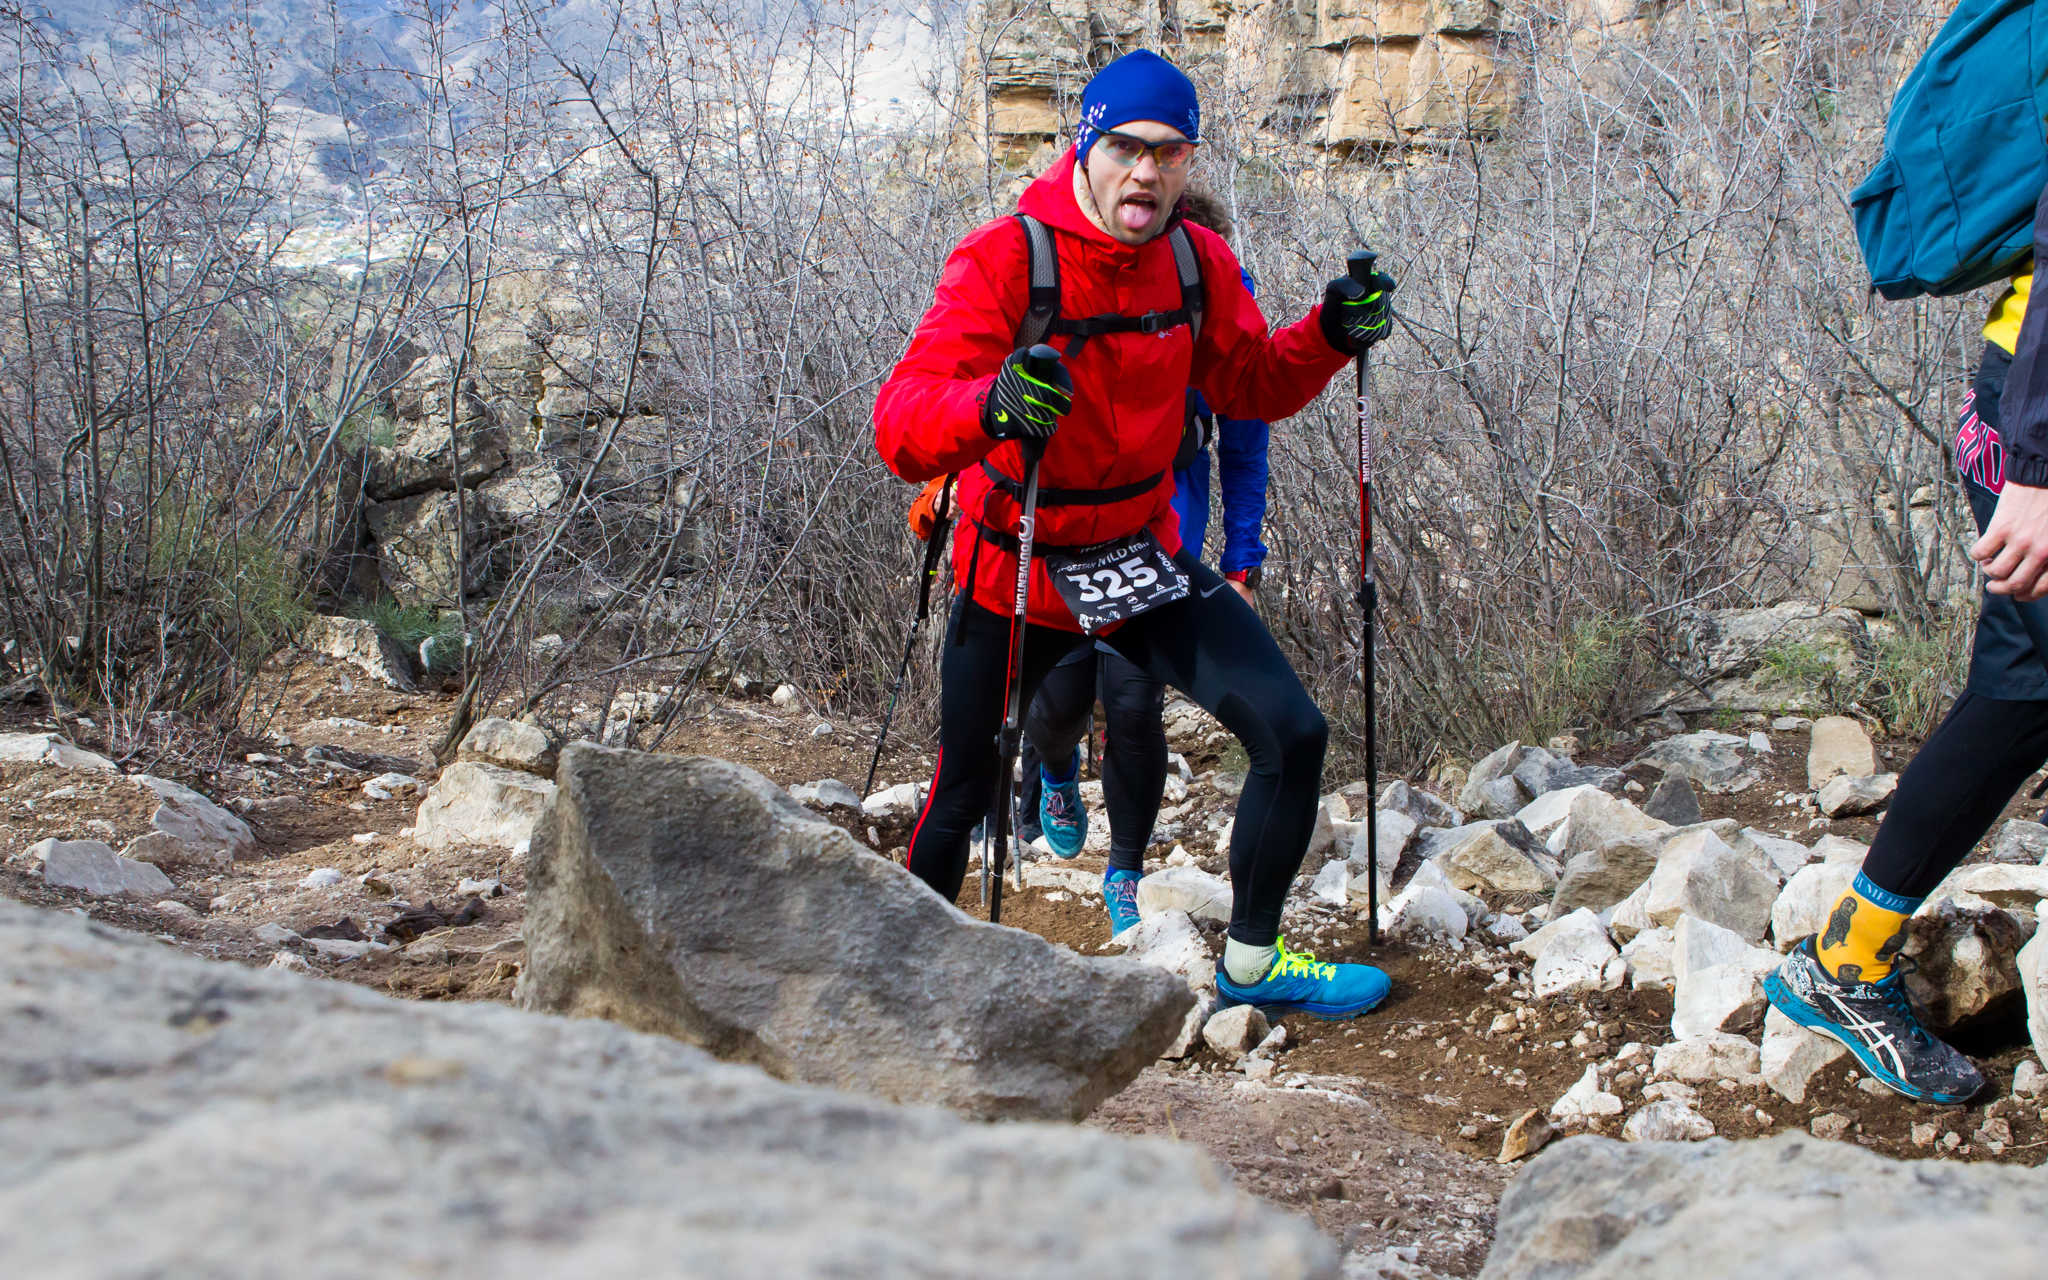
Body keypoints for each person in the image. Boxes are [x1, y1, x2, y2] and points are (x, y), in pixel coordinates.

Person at [873, 48, 1397, 1018]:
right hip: (1015, 567)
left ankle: (1249, 959)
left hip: (1133, 553)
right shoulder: (1003, 259)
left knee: (1291, 729)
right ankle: (895, 984)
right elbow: (900, 420)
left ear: (1187, 159)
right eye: (1125, 147)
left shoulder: (1195, 262)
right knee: (961, 790)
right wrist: (989, 405)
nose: (1147, 172)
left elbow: (1248, 384)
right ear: (1087, 142)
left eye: (1170, 152)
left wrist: (1327, 332)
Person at [1764, 182, 2048, 1103]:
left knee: (2020, 696)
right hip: (2036, 431)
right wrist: (2040, 471)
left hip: (2024, 415)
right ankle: (1843, 960)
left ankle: (1846, 956)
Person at [1014, 188, 1272, 939]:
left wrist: (1241, 563)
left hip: (1161, 548)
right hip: (1069, 543)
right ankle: (1056, 768)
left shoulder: (1220, 305)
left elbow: (1245, 445)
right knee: (1059, 703)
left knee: (1132, 707)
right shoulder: (1078, 289)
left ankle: (1125, 868)